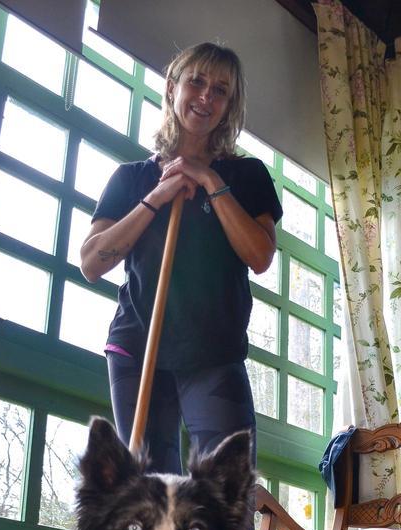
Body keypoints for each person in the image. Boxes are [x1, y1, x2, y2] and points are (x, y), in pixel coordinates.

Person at [79, 42, 281, 478]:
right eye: (197, 81)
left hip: (214, 349)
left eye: (221, 90)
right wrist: (157, 197)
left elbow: (261, 256)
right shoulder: (132, 178)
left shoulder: (248, 176)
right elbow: (92, 263)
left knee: (228, 491)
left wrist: (209, 180)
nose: (207, 97)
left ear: (229, 105)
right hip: (137, 346)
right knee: (150, 489)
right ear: (172, 89)